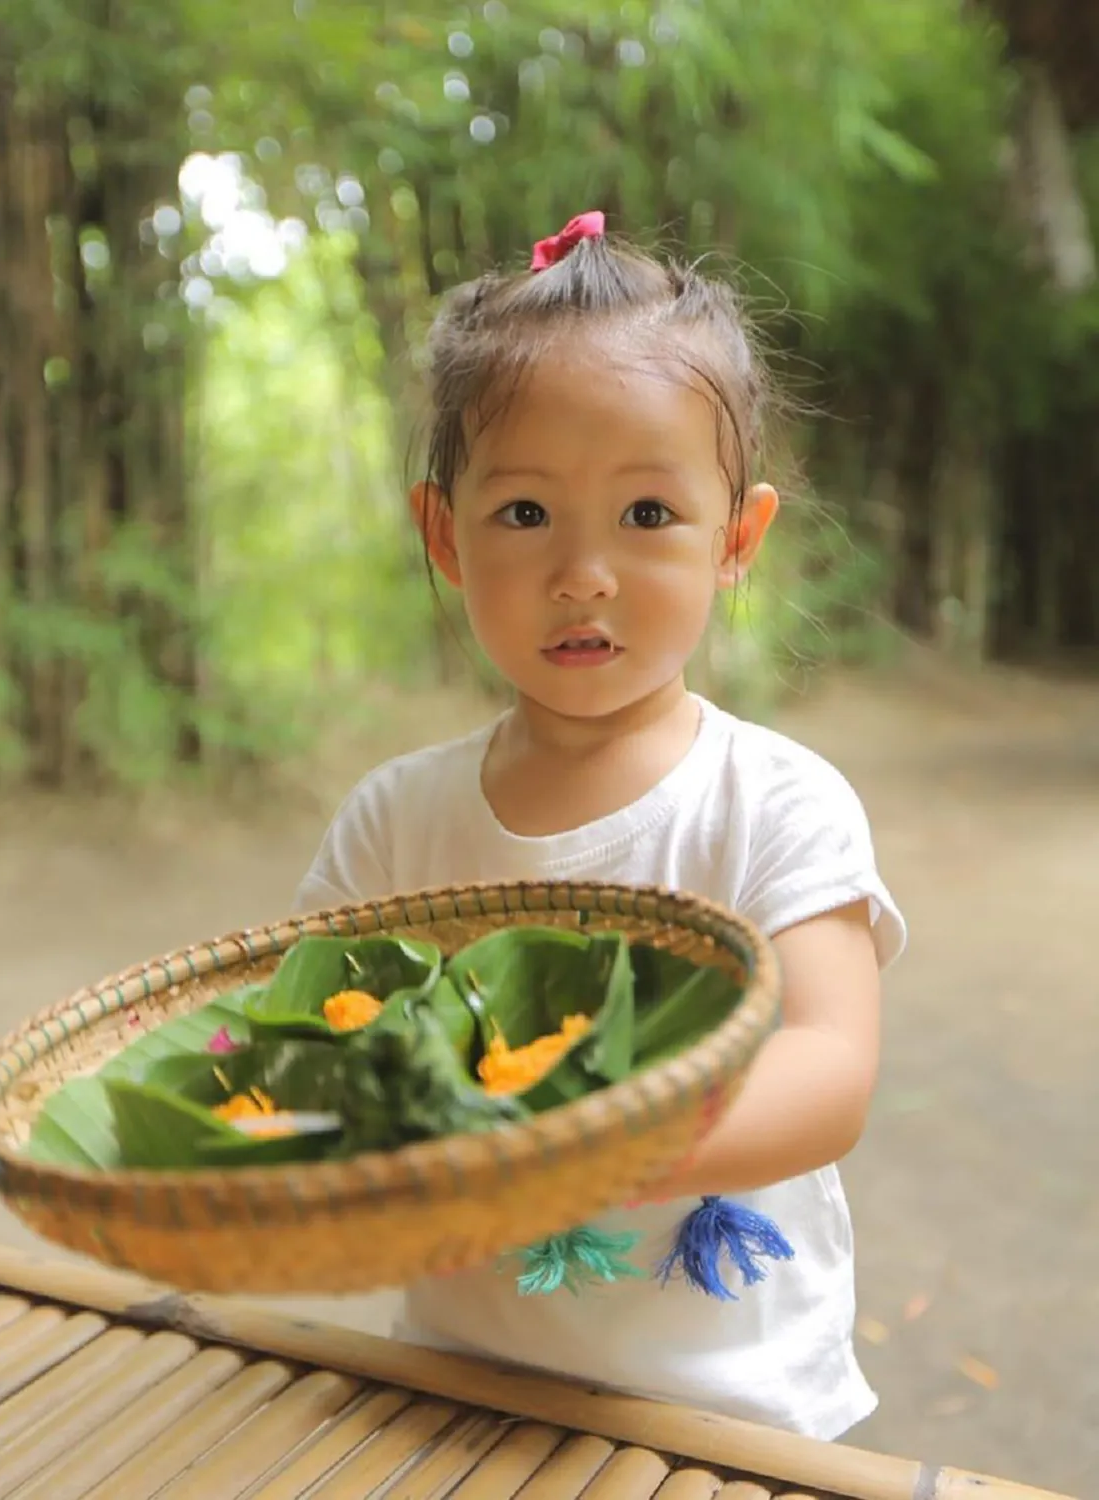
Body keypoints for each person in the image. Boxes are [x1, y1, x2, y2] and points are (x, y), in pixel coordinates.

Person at [292, 211, 906, 1440]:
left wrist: (599, 1141)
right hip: (461, 1389)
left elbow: (830, 1070)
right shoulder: (395, 823)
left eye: (646, 516)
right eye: (524, 515)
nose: (585, 572)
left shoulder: (773, 806)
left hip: (729, 1416)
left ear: (737, 539)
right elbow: (310, 1034)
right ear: (443, 535)